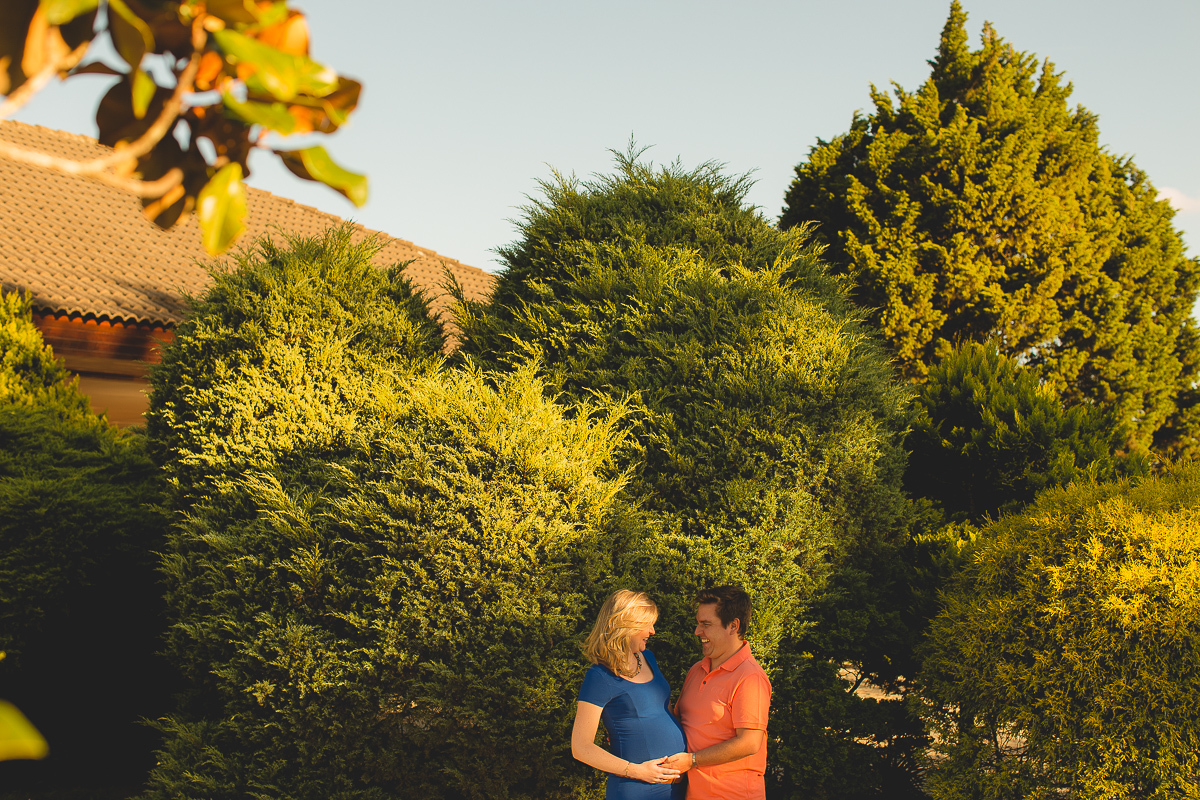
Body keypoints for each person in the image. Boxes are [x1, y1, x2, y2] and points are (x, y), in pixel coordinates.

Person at [572, 589, 686, 799]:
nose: (652, 631)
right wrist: (637, 771)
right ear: (625, 626)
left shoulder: (648, 658)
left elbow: (662, 712)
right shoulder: (599, 676)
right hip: (638, 788)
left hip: (674, 787)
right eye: (647, 625)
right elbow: (580, 747)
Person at [662, 586, 772, 800]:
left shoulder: (750, 678)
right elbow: (680, 724)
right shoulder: (697, 670)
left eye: (706, 624)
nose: (697, 631)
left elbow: (749, 743)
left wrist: (692, 760)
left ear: (733, 626)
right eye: (698, 623)